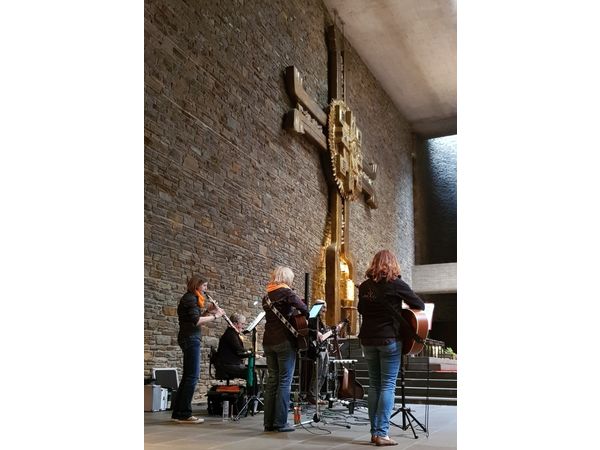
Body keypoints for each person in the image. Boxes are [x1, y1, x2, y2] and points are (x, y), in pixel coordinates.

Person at [357, 250, 425, 446]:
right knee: (387, 385)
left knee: (374, 385)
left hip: (368, 340)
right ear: (393, 265)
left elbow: (361, 310)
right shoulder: (397, 284)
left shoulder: (365, 287)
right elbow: (418, 304)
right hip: (389, 341)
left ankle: (374, 433)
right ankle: (382, 433)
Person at [171, 275, 225, 424]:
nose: (206, 290)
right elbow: (196, 321)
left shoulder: (193, 299)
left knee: (189, 376)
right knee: (192, 376)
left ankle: (179, 413)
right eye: (205, 286)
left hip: (189, 338)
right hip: (190, 338)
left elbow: (196, 319)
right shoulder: (190, 299)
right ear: (197, 286)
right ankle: (184, 414)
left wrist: (208, 311)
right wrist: (216, 316)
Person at [261, 266, 308, 433]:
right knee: (284, 382)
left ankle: (268, 423)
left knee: (272, 381)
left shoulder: (266, 296)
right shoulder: (287, 293)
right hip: (284, 341)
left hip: (268, 341)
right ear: (287, 278)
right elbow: (305, 310)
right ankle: (281, 422)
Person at [306, 299, 329, 405]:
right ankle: (312, 396)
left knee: (324, 373)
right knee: (318, 373)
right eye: (323, 307)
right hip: (316, 349)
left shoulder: (320, 320)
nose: (325, 310)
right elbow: (305, 330)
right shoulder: (312, 316)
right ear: (317, 306)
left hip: (324, 348)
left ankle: (317, 394)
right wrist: (316, 332)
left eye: (325, 307)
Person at [216, 313, 251, 380]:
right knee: (250, 373)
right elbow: (239, 351)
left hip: (228, 364)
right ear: (235, 323)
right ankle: (252, 390)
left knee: (250, 371)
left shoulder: (232, 333)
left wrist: (248, 352)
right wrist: (250, 353)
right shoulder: (231, 334)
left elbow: (238, 350)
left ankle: (251, 390)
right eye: (242, 324)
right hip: (227, 365)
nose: (243, 327)